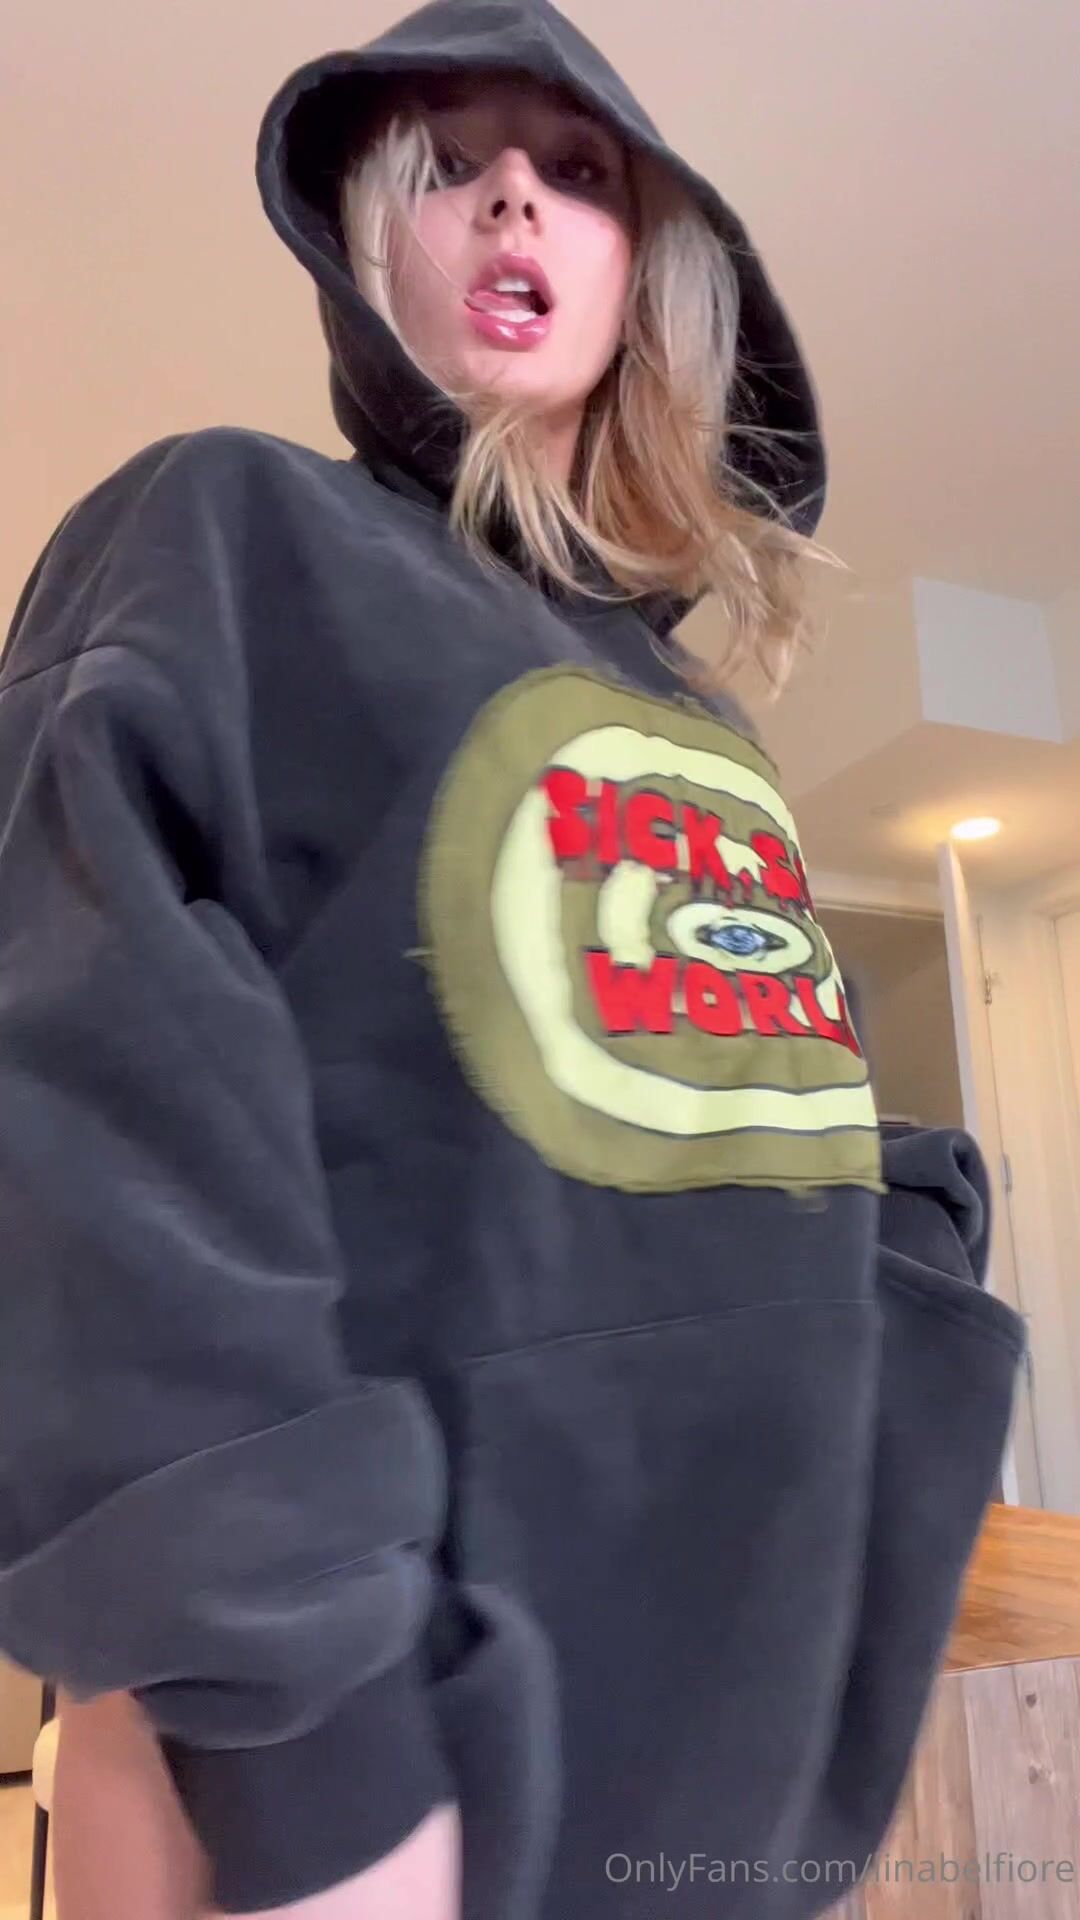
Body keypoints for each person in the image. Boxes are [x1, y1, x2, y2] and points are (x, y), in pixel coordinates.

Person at [0, 2, 1025, 1916]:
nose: (510, 203)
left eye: (572, 171)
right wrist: (309, 1749)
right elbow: (84, 1117)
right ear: (361, 240)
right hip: (362, 1809)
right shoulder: (226, 533)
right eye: (449, 167)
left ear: (653, 270)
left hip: (715, 1815)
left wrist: (911, 1244)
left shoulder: (704, 726)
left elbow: (737, 1134)